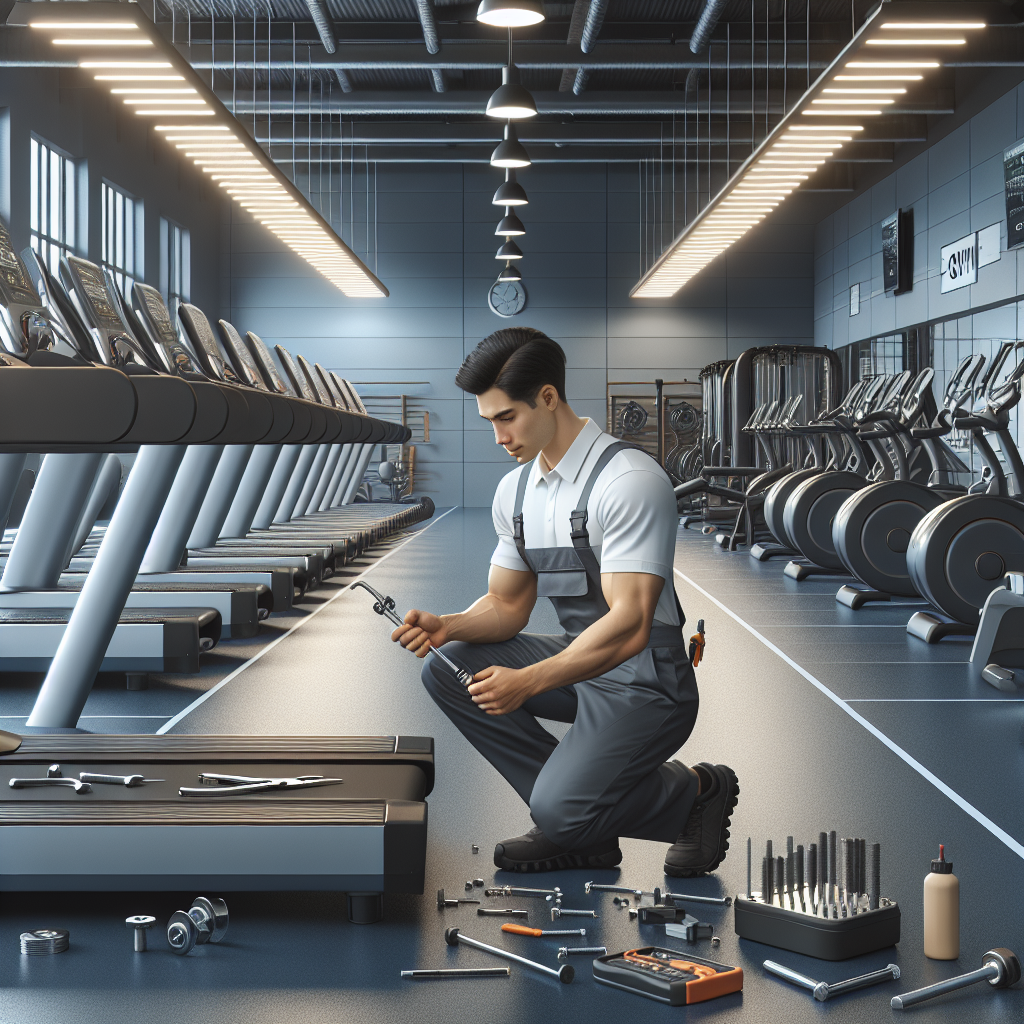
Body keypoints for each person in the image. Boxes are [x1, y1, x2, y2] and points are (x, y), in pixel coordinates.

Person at [392, 327, 738, 876]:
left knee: (558, 806)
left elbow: (629, 626)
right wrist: (450, 624)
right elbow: (507, 606)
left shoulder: (628, 481)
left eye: (508, 417)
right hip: (580, 663)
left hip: (647, 679)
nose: (499, 437)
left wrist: (528, 681)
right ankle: (579, 828)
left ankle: (694, 792)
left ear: (549, 397)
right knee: (449, 667)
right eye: (490, 422)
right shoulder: (517, 492)